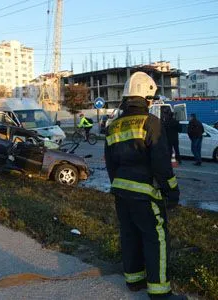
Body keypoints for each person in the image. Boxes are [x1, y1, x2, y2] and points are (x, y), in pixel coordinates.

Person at [105, 72, 185, 300]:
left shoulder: (114, 126)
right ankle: (160, 292)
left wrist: (120, 187)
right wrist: (172, 192)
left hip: (121, 193)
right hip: (146, 194)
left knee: (129, 235)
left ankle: (134, 281)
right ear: (147, 99)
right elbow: (161, 164)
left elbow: (111, 164)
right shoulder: (151, 122)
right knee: (155, 238)